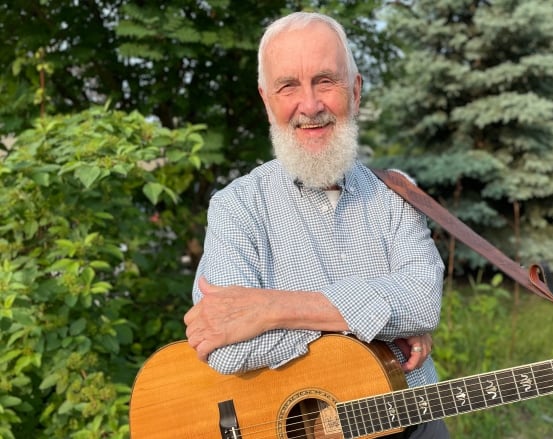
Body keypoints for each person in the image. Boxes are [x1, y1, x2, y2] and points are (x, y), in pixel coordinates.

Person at [183, 11, 449, 438]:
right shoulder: (235, 207)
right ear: (267, 101)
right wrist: (382, 332)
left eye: (326, 81)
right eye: (289, 86)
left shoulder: (399, 194)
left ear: (356, 91)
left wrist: (272, 310)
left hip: (410, 422)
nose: (310, 105)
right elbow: (226, 349)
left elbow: (422, 305)